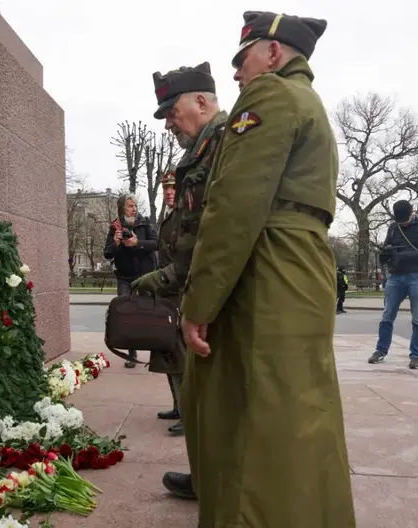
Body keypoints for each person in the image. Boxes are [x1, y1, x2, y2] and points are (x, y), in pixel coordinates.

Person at [177, 11, 356, 526]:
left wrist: (199, 305)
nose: (236, 73)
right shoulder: (310, 102)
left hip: (268, 265)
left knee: (251, 424)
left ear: (273, 53)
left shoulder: (270, 96)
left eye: (243, 58)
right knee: (301, 412)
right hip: (303, 263)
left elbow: (234, 206)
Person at [131, 61, 227, 461]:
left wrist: (171, 275)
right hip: (200, 286)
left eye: (172, 113)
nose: (168, 124)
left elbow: (221, 228)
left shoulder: (226, 141)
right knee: (206, 390)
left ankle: (216, 482)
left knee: (219, 394)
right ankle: (208, 476)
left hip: (219, 290)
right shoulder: (207, 147)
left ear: (201, 102)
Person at [132, 171, 185, 436]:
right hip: (168, 293)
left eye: (173, 189)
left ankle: (188, 413)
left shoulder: (186, 217)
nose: (169, 193)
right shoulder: (170, 217)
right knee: (169, 353)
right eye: (166, 190)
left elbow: (186, 261)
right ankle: (178, 406)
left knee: (181, 358)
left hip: (182, 294)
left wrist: (157, 278)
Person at [369, 199, 418, 369]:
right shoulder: (393, 227)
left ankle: (415, 355)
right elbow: (387, 246)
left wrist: (404, 256)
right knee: (386, 316)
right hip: (395, 276)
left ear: (411, 212)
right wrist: (387, 252)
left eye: (405, 221)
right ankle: (381, 350)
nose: (403, 224)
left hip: (417, 275)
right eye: (400, 222)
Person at [103, 194, 158, 367]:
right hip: (124, 277)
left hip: (145, 276)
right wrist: (116, 243)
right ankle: (131, 352)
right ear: (122, 208)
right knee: (126, 312)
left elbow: (155, 244)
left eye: (135, 206)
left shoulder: (145, 222)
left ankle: (155, 349)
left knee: (147, 312)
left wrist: (137, 243)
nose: (134, 209)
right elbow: (107, 253)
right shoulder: (115, 227)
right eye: (129, 206)